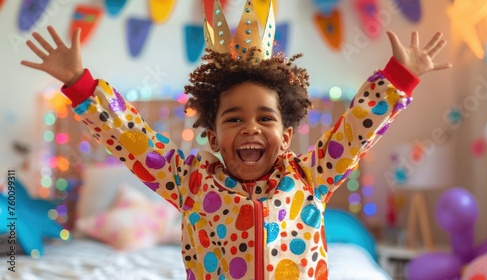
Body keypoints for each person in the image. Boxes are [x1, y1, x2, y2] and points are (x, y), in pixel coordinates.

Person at [20, 2, 451, 279]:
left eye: (265, 117)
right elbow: (131, 139)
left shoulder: (312, 175)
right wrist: (79, 83)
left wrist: (398, 78)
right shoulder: (189, 181)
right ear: (212, 134)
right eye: (234, 117)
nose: (250, 127)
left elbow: (358, 129)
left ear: (285, 136)